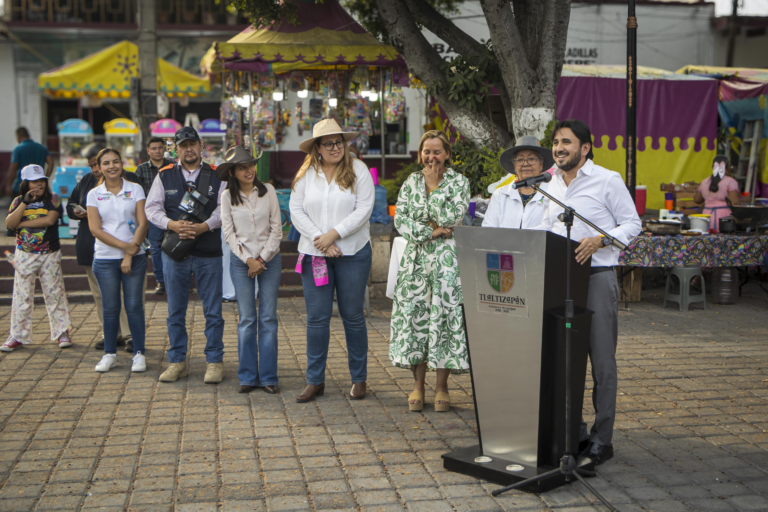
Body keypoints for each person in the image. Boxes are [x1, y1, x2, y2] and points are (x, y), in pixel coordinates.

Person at [535, 119, 642, 470]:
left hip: (596, 277)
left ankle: (602, 439)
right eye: (555, 142)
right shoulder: (549, 184)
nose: (559, 147)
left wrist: (601, 239)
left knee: (601, 362)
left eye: (566, 141)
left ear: (584, 148)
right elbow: (545, 228)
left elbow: (632, 223)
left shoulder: (606, 179)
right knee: (565, 361)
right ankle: (575, 433)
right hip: (559, 280)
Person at [289, 119, 374, 403]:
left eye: (340, 142)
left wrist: (335, 235)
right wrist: (320, 239)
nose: (336, 147)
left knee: (352, 317)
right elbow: (296, 210)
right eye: (329, 144)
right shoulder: (306, 174)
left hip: (353, 252)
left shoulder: (358, 169)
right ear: (317, 148)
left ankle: (359, 379)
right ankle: (315, 381)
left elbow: (364, 209)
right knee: (316, 320)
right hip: (316, 254)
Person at [389, 130, 470, 413]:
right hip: (415, 261)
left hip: (446, 262)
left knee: (443, 319)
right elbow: (401, 219)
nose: (431, 157)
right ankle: (418, 385)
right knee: (417, 320)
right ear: (420, 153)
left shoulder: (460, 182)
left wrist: (434, 187)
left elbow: (452, 217)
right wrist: (431, 230)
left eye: (437, 151)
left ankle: (441, 387)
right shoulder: (411, 182)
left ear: (447, 153)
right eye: (427, 151)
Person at [145, 126, 226, 384]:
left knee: (213, 311)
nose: (188, 149)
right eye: (182, 145)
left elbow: (225, 208)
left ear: (202, 145)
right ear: (175, 149)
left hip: (208, 252)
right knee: (174, 311)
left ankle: (214, 362)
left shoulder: (217, 174)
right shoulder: (164, 175)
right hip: (174, 253)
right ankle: (177, 361)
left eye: (192, 144)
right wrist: (172, 225)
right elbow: (152, 208)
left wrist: (204, 226)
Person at [219, 146, 283, 394]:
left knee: (268, 318)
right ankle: (247, 376)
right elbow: (229, 233)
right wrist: (249, 260)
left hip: (270, 259)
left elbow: (277, 228)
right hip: (241, 261)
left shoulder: (269, 191)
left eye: (250, 165)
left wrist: (262, 258)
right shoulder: (227, 197)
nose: (248, 170)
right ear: (233, 172)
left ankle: (268, 377)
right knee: (247, 319)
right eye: (242, 167)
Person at [67, 143, 141, 352]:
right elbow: (71, 204)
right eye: (93, 166)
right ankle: (111, 333)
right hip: (93, 246)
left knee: (128, 294)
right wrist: (78, 212)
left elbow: (141, 217)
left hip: (126, 246)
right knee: (100, 293)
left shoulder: (131, 182)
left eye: (97, 165)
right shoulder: (88, 183)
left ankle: (130, 335)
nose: (95, 170)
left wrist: (132, 246)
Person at [86, 148, 148, 373]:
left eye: (115, 162)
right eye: (106, 163)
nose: (111, 166)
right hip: (104, 259)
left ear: (122, 164)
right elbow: (95, 229)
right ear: (99, 167)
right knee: (110, 308)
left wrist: (130, 254)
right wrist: (125, 247)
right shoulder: (94, 194)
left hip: (136, 258)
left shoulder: (135, 188)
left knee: (134, 307)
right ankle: (109, 354)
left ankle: (139, 354)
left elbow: (143, 223)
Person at [2, 165, 73, 352]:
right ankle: (17, 336)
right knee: (22, 295)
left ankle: (61, 332)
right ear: (26, 183)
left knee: (55, 294)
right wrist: (24, 203)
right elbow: (9, 223)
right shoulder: (18, 201)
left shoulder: (53, 199)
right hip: (24, 254)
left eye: (41, 181)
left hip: (50, 254)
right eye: (34, 181)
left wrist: (22, 223)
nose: (38, 185)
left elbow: (50, 220)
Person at [483, 136, 554, 229]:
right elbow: (488, 229)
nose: (525, 164)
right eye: (520, 160)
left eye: (531, 159)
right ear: (514, 165)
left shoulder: (552, 193)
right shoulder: (500, 195)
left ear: (541, 163)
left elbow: (554, 229)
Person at [135, 137, 173, 294]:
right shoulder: (141, 170)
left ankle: (176, 279)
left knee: (175, 245)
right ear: (148, 151)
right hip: (151, 216)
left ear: (164, 149)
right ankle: (161, 281)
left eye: (160, 147)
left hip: (172, 214)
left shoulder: (173, 167)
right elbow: (137, 195)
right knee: (156, 248)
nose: (157, 151)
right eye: (154, 148)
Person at [694, 155, 739, 233]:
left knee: (707, 242)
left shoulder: (704, 181)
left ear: (713, 168)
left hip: (706, 217)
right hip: (724, 219)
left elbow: (697, 200)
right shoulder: (730, 181)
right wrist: (745, 199)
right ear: (727, 168)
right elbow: (734, 202)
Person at [4, 127, 54, 198]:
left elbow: (13, 168)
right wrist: (45, 178)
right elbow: (51, 162)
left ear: (18, 136)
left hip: (21, 186)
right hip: (38, 187)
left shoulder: (18, 149)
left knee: (18, 207)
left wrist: (8, 185)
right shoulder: (41, 148)